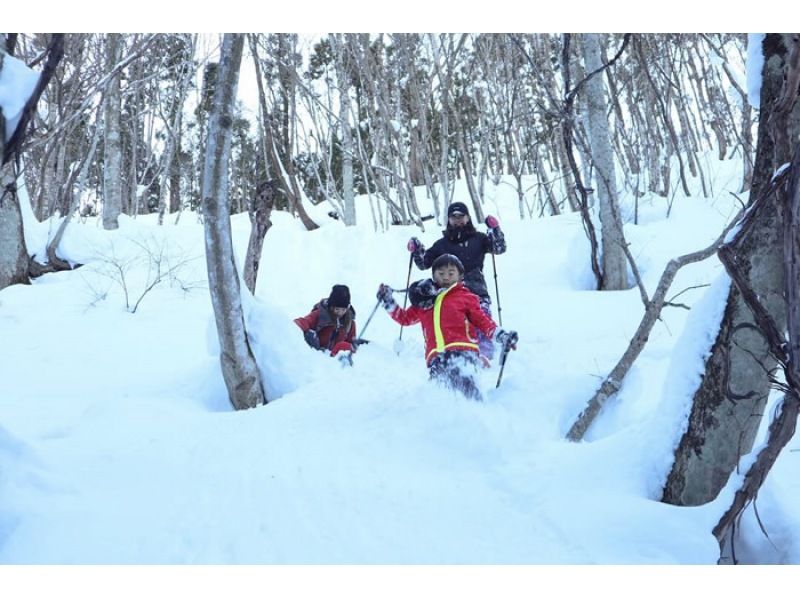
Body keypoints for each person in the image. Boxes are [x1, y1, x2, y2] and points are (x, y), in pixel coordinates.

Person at [377, 254, 518, 401]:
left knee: (466, 388)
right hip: (436, 357)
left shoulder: (466, 297)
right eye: (441, 273)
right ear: (434, 276)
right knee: (441, 394)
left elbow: (483, 321)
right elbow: (404, 318)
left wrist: (501, 336)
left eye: (451, 273)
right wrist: (388, 302)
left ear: (460, 276)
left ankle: (477, 412)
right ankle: (445, 419)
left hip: (462, 351)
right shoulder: (425, 302)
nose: (446, 277)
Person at [407, 201, 507, 361]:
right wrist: (417, 250)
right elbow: (424, 263)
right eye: (453, 217)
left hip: (477, 293)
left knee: (482, 323)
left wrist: (495, 230)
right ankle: (462, 358)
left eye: (461, 216)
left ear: (468, 217)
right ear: (448, 220)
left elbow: (499, 248)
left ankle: (488, 360)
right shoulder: (442, 244)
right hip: (449, 297)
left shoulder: (479, 238)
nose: (458, 219)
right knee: (457, 329)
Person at [294, 284, 357, 363]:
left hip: (335, 360)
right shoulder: (320, 314)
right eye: (337, 309)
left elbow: (351, 342)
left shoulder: (350, 323)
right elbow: (303, 322)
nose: (340, 313)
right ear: (331, 306)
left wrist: (353, 346)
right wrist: (301, 328)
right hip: (316, 356)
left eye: (343, 310)